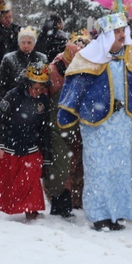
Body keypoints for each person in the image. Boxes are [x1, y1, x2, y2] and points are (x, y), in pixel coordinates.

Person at [58, 12, 132, 231]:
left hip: (126, 124)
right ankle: (98, 215)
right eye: (117, 31)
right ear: (105, 35)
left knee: (122, 171)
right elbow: (73, 89)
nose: (122, 35)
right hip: (97, 125)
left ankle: (118, 214)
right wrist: (67, 118)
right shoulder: (89, 56)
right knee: (99, 170)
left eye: (124, 30)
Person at [0, 62, 51, 221]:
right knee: (3, 180)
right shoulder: (12, 95)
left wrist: (45, 148)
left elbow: (44, 127)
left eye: (41, 88)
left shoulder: (43, 101)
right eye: (35, 88)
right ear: (27, 84)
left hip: (31, 146)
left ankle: (30, 208)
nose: (38, 92)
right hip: (9, 145)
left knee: (30, 181)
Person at [44, 30, 91, 219]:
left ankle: (75, 200)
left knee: (78, 164)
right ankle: (60, 201)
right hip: (57, 126)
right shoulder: (53, 70)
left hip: (79, 125)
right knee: (60, 164)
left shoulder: (88, 69)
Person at [0, 26, 47, 101]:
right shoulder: (9, 58)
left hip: (35, 101)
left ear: (34, 43)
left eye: (29, 43)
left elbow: (46, 83)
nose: (26, 46)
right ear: (19, 43)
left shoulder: (42, 58)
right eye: (23, 42)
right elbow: (0, 84)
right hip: (14, 100)